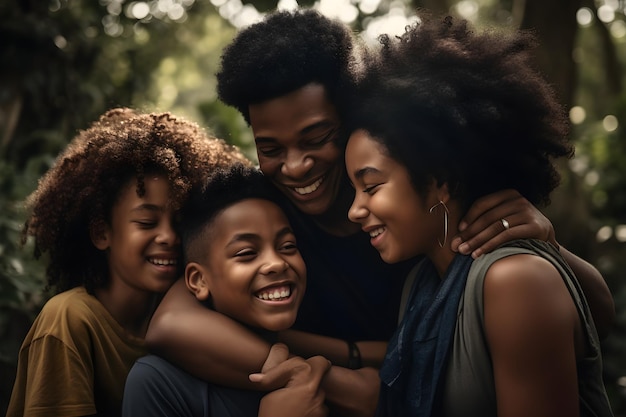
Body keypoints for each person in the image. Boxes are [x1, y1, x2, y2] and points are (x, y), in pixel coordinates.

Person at [141, 8, 613, 417]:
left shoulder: (440, 224)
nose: (296, 165)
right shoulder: (274, 215)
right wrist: (335, 374)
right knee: (155, 378)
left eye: (315, 138)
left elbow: (587, 318)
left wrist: (549, 247)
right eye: (271, 148)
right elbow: (171, 324)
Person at [343, 14, 613, 417]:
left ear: (441, 180)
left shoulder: (512, 278)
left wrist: (551, 248)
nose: (354, 210)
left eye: (371, 186)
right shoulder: (421, 283)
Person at [6, 107, 250, 417]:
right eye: (147, 222)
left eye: (178, 222)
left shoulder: (184, 314)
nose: (169, 237)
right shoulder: (68, 321)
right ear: (101, 233)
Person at [123, 163, 331, 417]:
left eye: (287, 246)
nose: (277, 263)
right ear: (198, 280)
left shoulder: (319, 345)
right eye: (247, 253)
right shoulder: (159, 383)